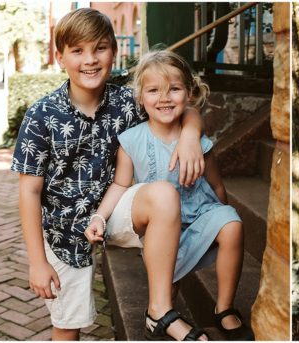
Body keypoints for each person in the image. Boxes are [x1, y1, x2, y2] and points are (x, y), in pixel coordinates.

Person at [11, 8, 206, 341]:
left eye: (100, 48)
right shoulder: (41, 115)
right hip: (64, 230)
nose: (90, 59)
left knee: (163, 194)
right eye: (78, 51)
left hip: (114, 209)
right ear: (60, 57)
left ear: (114, 52)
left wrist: (190, 136)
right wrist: (36, 262)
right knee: (68, 325)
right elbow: (28, 193)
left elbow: (181, 107)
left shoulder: (127, 102)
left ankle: (159, 309)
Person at [84, 50, 253, 341]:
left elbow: (216, 186)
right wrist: (100, 215)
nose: (164, 98)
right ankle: (161, 310)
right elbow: (120, 185)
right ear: (140, 97)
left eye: (174, 89)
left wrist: (223, 218)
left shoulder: (197, 141)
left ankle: (223, 308)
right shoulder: (132, 140)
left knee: (233, 224)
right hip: (163, 224)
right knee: (167, 276)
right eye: (153, 90)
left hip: (199, 211)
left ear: (188, 93)